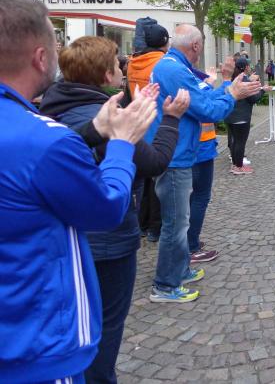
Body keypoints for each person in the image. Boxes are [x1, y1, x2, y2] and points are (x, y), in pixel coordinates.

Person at [0, 0, 157, 382]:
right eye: (55, 45)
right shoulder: (46, 140)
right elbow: (106, 208)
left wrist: (95, 130)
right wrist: (122, 143)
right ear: (41, 58)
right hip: (36, 346)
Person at [39, 36, 189, 384]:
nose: (124, 68)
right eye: (118, 64)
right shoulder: (109, 119)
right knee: (105, 327)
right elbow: (155, 162)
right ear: (107, 75)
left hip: (62, 237)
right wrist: (170, 119)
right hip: (108, 240)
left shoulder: (48, 107)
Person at [146, 24, 262, 303]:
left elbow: (204, 97)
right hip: (175, 156)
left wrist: (228, 87)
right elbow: (208, 110)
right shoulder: (174, 70)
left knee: (181, 220)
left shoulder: (175, 66)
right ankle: (165, 286)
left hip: (179, 152)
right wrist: (233, 94)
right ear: (196, 46)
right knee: (175, 224)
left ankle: (180, 270)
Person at [128, 18, 170, 242]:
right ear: (164, 42)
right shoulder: (162, 63)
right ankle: (156, 227)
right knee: (157, 180)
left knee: (143, 180)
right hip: (157, 123)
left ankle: (142, 224)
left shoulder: (133, 62)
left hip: (138, 125)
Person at [188, 64, 225, 264]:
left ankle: (189, 241)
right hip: (200, 149)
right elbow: (208, 103)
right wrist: (220, 82)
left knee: (193, 196)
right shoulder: (191, 81)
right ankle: (191, 246)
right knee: (200, 196)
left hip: (197, 147)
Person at [225, 57, 265, 175]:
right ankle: (238, 167)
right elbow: (253, 98)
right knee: (240, 142)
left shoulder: (232, 78)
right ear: (246, 67)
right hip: (241, 117)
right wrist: (262, 90)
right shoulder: (245, 80)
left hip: (229, 116)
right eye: (249, 65)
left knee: (234, 141)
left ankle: (234, 165)